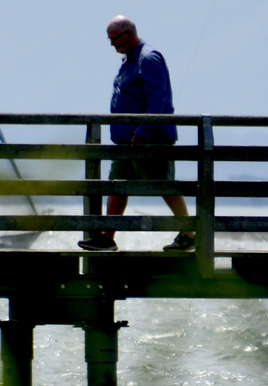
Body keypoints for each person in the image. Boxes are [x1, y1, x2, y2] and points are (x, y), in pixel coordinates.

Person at [79, 15, 194, 252]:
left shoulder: (148, 58)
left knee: (164, 184)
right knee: (117, 186)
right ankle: (107, 238)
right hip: (126, 140)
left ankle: (189, 233)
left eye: (114, 38)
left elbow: (158, 99)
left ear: (128, 35)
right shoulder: (129, 60)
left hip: (149, 138)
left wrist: (142, 131)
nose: (111, 43)